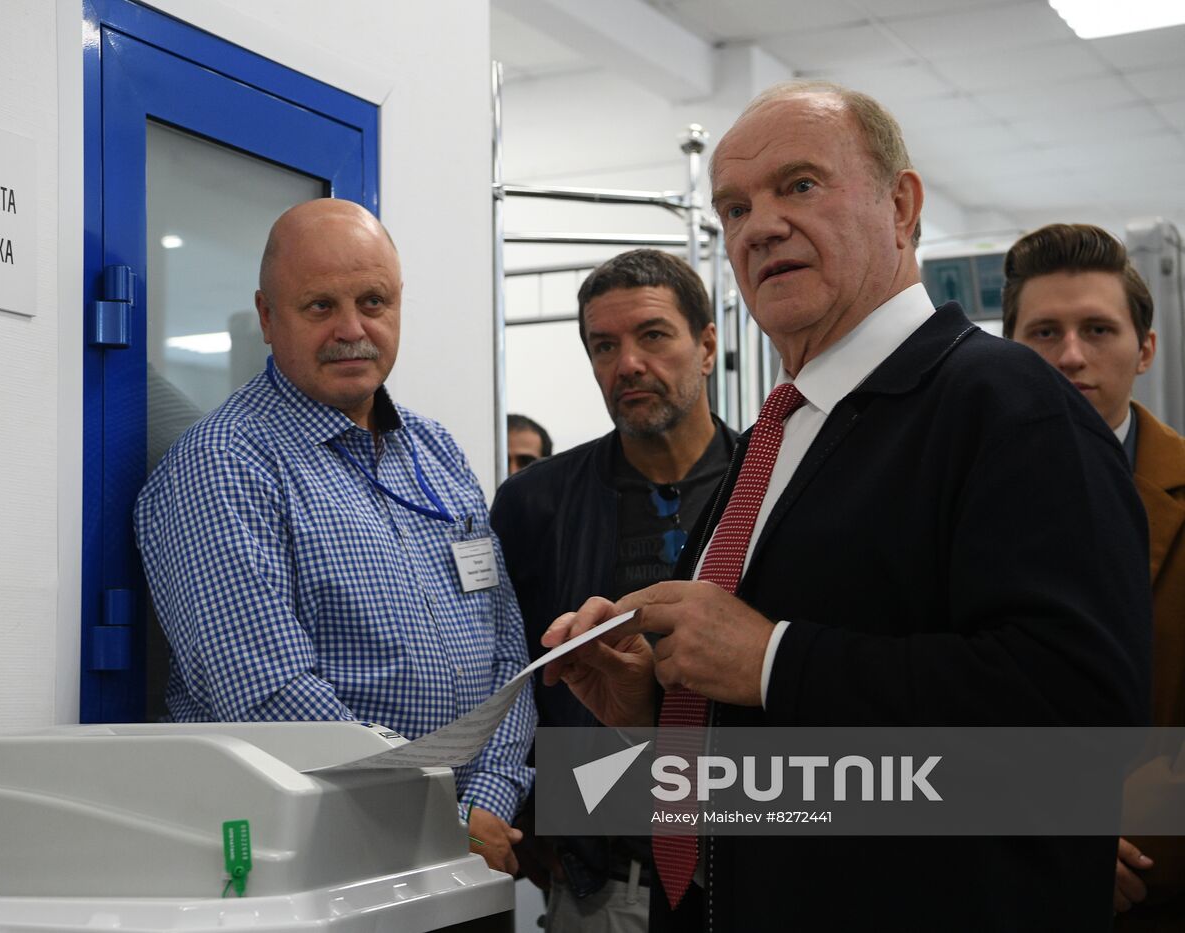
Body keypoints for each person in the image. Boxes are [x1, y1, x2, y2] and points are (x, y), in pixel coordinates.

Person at [541, 81, 1152, 931]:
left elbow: (1073, 724)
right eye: (735, 207)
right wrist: (662, 705)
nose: (760, 226)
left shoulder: (1011, 406)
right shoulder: (781, 431)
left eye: (799, 185)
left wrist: (772, 658)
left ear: (901, 206)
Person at [135, 198, 535, 874]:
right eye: (320, 306)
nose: (352, 328)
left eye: (373, 301)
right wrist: (444, 819)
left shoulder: (434, 449)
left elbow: (507, 648)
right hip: (321, 858)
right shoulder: (225, 466)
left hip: (464, 852)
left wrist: (488, 799)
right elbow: (270, 698)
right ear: (266, 316)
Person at [492, 249, 736, 929]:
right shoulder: (534, 506)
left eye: (653, 335)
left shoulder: (770, 489)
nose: (627, 362)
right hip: (605, 882)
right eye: (604, 345)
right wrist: (536, 814)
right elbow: (509, 677)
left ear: (707, 345)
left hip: (751, 859)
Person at [1003, 222, 1185, 932]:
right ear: (1008, 353)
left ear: (1145, 349)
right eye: (1044, 333)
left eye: (1098, 330)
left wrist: (1097, 842)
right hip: (993, 887)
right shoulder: (948, 503)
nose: (1071, 356)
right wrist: (1032, 832)